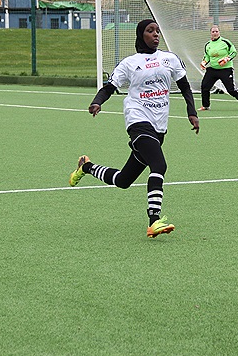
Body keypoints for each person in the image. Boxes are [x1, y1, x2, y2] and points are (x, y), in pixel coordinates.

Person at [69, 19, 200, 238]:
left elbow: (185, 87)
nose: (156, 34)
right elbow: (110, 87)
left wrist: (192, 112)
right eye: (150, 31)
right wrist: (97, 101)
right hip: (137, 120)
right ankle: (154, 220)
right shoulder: (130, 63)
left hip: (159, 126)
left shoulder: (170, 59)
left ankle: (86, 167)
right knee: (159, 164)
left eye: (157, 31)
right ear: (141, 36)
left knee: (123, 180)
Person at [199, 25, 238, 111]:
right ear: (210, 33)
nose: (215, 33)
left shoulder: (225, 42)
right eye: (213, 32)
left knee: (231, 89)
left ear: (219, 32)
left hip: (226, 69)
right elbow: (207, 56)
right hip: (213, 69)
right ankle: (206, 106)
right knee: (205, 86)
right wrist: (204, 62)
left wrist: (227, 59)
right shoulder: (208, 44)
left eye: (216, 31)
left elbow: (234, 52)